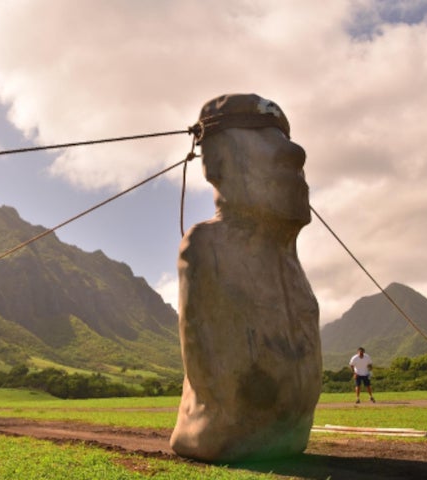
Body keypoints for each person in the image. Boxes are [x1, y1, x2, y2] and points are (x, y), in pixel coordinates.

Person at [170, 94, 321, 462]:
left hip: (288, 438)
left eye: (284, 145)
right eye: (266, 144)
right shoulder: (207, 245)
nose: (295, 157)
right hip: (219, 437)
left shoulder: (288, 259)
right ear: (217, 163)